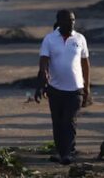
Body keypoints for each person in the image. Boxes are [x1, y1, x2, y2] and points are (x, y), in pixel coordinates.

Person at [35, 10, 90, 165]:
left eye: (73, 20)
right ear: (59, 22)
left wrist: (87, 88)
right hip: (55, 89)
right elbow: (43, 61)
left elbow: (85, 64)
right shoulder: (49, 39)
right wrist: (42, 81)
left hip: (75, 89)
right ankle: (61, 152)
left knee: (69, 121)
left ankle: (68, 153)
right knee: (58, 123)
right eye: (67, 21)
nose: (71, 23)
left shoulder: (80, 38)